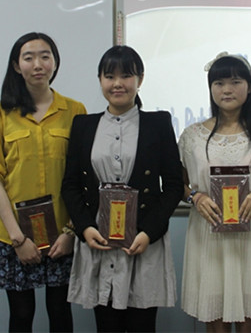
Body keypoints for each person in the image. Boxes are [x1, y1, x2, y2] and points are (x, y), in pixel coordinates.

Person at [62, 45, 183, 332]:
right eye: (109, 76)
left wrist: (148, 232)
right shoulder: (83, 125)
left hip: (143, 244)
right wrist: (85, 228)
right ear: (100, 80)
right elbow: (70, 185)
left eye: (126, 76)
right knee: (106, 326)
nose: (118, 83)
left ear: (140, 79)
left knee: (143, 326)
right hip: (99, 242)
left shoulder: (158, 123)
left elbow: (174, 186)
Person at [0, 32, 86, 332]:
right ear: (17, 65)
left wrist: (71, 232)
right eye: (28, 58)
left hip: (62, 234)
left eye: (45, 56)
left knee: (60, 312)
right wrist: (18, 239)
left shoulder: (74, 111)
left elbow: (83, 176)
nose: (37, 64)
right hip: (13, 234)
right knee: (21, 315)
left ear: (55, 62)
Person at [179, 53, 251, 332]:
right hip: (208, 235)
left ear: (249, 87)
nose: (227, 90)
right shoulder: (192, 136)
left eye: (235, 82)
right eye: (219, 83)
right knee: (214, 318)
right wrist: (195, 197)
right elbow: (179, 185)